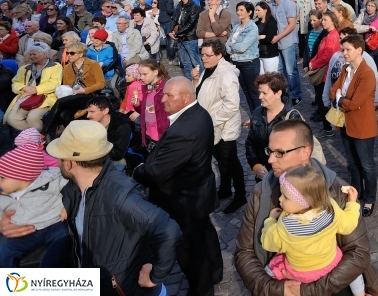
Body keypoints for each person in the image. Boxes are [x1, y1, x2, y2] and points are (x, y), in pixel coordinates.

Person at [23, 120, 182, 296]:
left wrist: (155, 275)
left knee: (17, 285)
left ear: (69, 163)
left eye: (59, 157)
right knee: (20, 286)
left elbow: (168, 229)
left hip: (119, 288)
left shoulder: (119, 195)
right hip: (91, 280)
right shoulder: (77, 184)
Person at [235, 119, 378, 296]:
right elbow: (244, 252)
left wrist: (307, 291)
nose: (270, 159)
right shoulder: (261, 192)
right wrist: (277, 289)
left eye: (279, 153)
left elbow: (358, 252)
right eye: (270, 151)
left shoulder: (336, 190)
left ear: (305, 151)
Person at [133, 77, 223, 296]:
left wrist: (137, 169)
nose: (162, 100)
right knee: (206, 234)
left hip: (183, 202)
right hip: (198, 192)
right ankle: (216, 271)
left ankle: (202, 289)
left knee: (191, 253)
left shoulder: (183, 131)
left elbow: (156, 173)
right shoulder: (199, 113)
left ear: (186, 97)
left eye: (169, 96)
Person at [259, 166, 367, 296]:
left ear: (304, 202)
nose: (280, 199)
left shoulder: (285, 226)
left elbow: (268, 243)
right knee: (354, 272)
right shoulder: (331, 209)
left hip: (300, 273)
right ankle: (360, 293)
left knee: (271, 269)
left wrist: (270, 221)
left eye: (285, 197)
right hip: (331, 264)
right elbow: (348, 225)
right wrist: (352, 204)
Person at [193, 39, 247, 215]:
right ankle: (225, 189)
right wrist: (195, 80)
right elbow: (202, 93)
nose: (203, 58)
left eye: (208, 55)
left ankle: (240, 196)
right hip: (212, 126)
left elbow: (231, 105)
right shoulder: (208, 70)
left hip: (223, 127)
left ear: (219, 55)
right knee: (220, 160)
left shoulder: (226, 75)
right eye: (202, 54)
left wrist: (210, 120)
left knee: (230, 161)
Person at [330, 34, 378, 217]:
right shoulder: (345, 69)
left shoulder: (367, 74)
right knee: (352, 162)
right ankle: (356, 191)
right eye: (343, 49)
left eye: (348, 49)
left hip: (362, 126)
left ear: (359, 50)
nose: (344, 53)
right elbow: (333, 90)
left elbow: (355, 103)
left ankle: (370, 198)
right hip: (345, 123)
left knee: (367, 165)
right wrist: (340, 97)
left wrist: (340, 98)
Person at [0, 142, 70, 267]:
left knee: (61, 244)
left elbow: (70, 187)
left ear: (22, 177)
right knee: (5, 252)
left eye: (2, 177)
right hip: (25, 232)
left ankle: (47, 276)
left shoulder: (50, 180)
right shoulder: (4, 195)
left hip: (55, 224)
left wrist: (68, 204)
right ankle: (12, 282)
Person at [5, 42, 63, 133]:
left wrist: (36, 90)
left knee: (33, 118)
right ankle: (38, 136)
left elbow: (55, 83)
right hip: (26, 98)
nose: (31, 56)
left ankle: (34, 139)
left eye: (34, 54)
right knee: (11, 118)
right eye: (30, 54)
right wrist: (24, 88)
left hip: (45, 98)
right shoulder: (24, 68)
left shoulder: (56, 67)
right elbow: (15, 83)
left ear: (44, 54)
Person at [268, 0, 303, 105]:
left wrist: (278, 37)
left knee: (290, 70)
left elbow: (292, 25)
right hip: (276, 42)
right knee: (280, 70)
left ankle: (296, 94)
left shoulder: (288, 4)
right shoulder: (270, 5)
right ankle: (285, 92)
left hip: (287, 41)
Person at [226, 1, 261, 115]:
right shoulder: (236, 27)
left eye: (241, 10)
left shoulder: (252, 28)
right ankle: (253, 114)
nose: (238, 12)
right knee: (245, 91)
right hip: (237, 62)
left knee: (253, 91)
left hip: (249, 63)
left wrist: (232, 45)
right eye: (238, 10)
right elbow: (227, 45)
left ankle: (259, 116)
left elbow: (242, 47)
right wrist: (231, 46)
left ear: (249, 12)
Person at [308, 11, 340, 131]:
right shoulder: (328, 34)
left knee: (323, 100)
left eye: (325, 19)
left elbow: (327, 56)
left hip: (326, 73)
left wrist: (314, 64)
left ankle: (328, 127)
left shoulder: (332, 36)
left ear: (332, 21)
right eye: (323, 19)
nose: (323, 22)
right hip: (324, 71)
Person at [128, 59, 170, 150]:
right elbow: (147, 111)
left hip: (161, 136)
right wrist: (138, 105)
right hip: (148, 133)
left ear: (155, 72)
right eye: (140, 74)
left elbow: (168, 115)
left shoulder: (164, 90)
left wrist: (166, 134)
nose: (141, 77)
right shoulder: (148, 88)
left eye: (145, 74)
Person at [85, 95, 132, 167]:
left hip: (129, 158)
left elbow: (117, 155)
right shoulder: (94, 122)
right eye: (88, 112)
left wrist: (91, 146)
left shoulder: (121, 126)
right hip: (104, 154)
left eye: (92, 112)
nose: (88, 116)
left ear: (105, 111)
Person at [170, 0, 202, 79]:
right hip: (180, 38)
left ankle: (201, 82)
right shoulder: (179, 5)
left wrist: (177, 34)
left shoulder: (194, 7)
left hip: (190, 38)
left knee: (196, 62)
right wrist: (170, 31)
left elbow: (190, 24)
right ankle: (189, 82)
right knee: (186, 63)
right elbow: (174, 19)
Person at [255, 1, 280, 74]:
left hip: (270, 55)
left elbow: (268, 39)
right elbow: (252, 38)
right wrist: (260, 37)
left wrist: (260, 38)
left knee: (271, 78)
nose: (256, 12)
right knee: (261, 78)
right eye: (256, 10)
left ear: (265, 10)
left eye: (258, 10)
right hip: (259, 54)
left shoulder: (271, 23)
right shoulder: (256, 24)